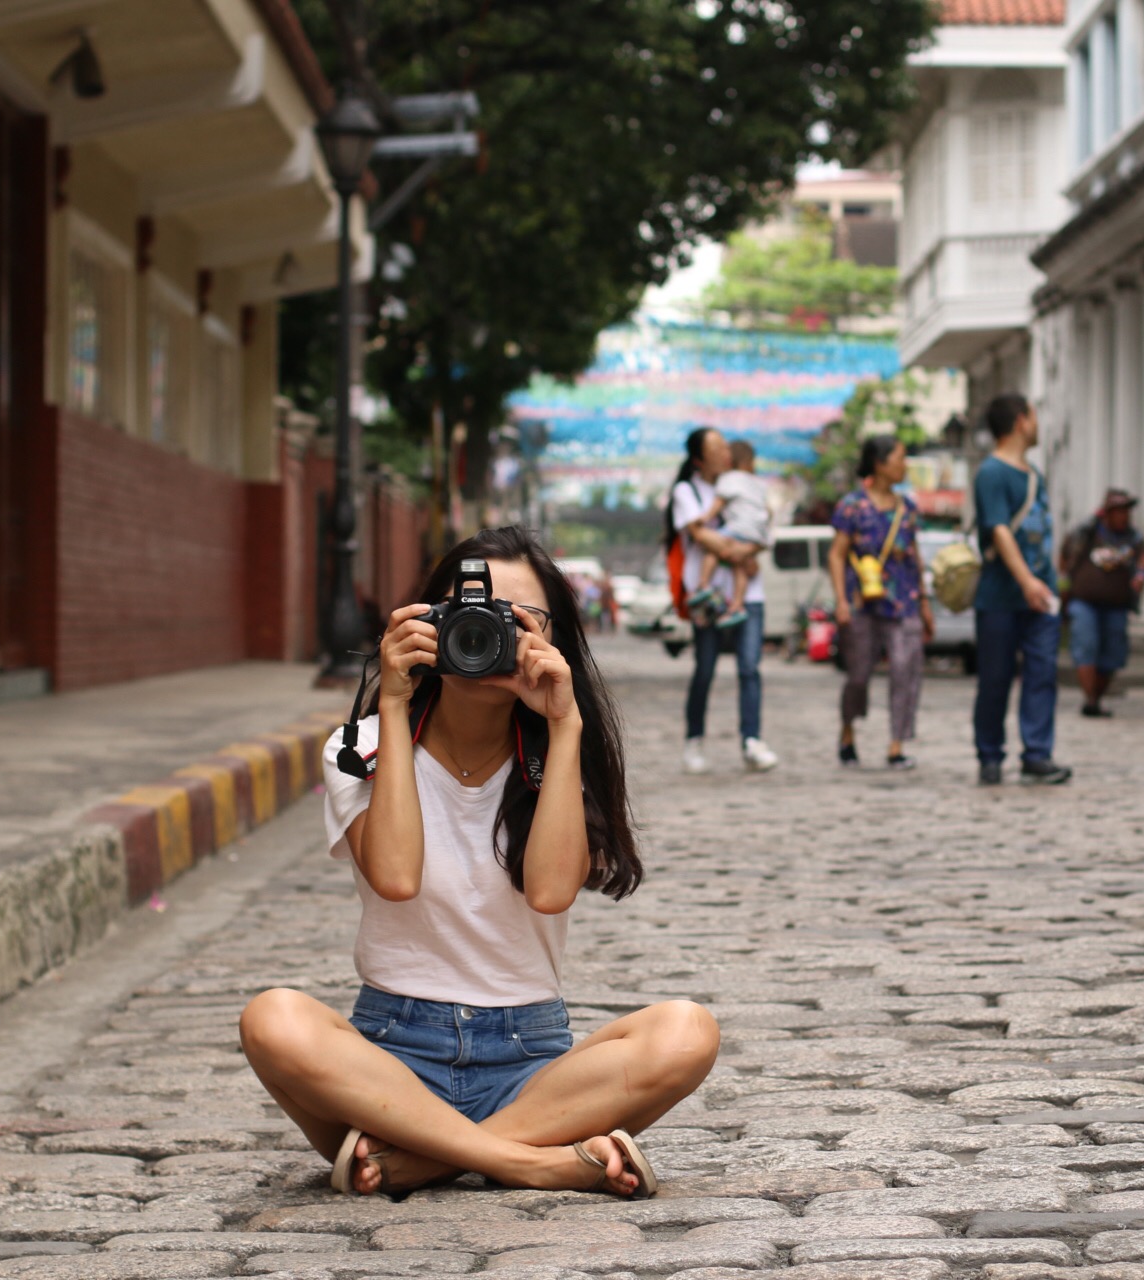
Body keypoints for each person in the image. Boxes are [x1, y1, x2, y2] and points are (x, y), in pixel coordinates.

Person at [238, 527, 719, 1199]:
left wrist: (567, 722)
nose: (491, 635)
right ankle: (528, 1161)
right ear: (429, 622)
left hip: (531, 1064)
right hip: (388, 1065)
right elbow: (397, 876)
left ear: (555, 639)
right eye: (472, 613)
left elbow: (551, 892)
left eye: (521, 620)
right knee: (272, 1017)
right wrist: (397, 703)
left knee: (688, 1031)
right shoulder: (362, 745)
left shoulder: (559, 752)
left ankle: (425, 1159)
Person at [666, 427, 780, 775]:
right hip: (708, 595)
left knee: (750, 668)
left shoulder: (747, 485)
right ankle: (694, 741)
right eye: (716, 447)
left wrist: (746, 550)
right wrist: (738, 552)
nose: (725, 451)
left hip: (749, 595)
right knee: (705, 668)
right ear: (700, 458)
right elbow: (698, 535)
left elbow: (764, 531)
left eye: (725, 445)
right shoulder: (687, 491)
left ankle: (752, 741)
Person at [972, 394, 1072, 787]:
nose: (1037, 423)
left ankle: (1037, 754)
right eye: (1033, 416)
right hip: (1001, 596)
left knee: (1043, 674)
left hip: (1042, 596)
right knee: (995, 678)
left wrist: (1044, 583)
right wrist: (1026, 580)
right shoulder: (992, 473)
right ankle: (990, 754)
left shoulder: (1034, 475)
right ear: (1020, 422)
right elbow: (998, 528)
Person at [828, 434, 934, 770]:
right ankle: (848, 731)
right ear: (880, 463)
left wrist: (925, 603)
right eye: (900, 458)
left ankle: (896, 744)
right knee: (858, 675)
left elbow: (914, 557)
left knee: (905, 670)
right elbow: (837, 554)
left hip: (903, 602)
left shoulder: (907, 508)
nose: (905, 465)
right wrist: (841, 600)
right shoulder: (852, 506)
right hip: (862, 601)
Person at [1060, 488, 1144, 718]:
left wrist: (1141, 576)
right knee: (1086, 646)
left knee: (1113, 654)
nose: (1124, 516)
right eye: (1119, 511)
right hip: (1084, 602)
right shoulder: (1087, 533)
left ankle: (1097, 698)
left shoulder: (1133, 538)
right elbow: (1065, 557)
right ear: (1107, 513)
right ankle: (1090, 699)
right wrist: (1063, 590)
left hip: (1116, 605)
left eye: (1127, 511)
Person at [687, 439, 769, 629]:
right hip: (754, 534)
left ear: (729, 461)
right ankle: (737, 606)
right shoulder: (758, 484)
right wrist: (747, 549)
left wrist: (704, 518)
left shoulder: (729, 479)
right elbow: (765, 519)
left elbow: (718, 504)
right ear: (750, 462)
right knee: (739, 569)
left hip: (737, 529)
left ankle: (703, 585)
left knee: (712, 553)